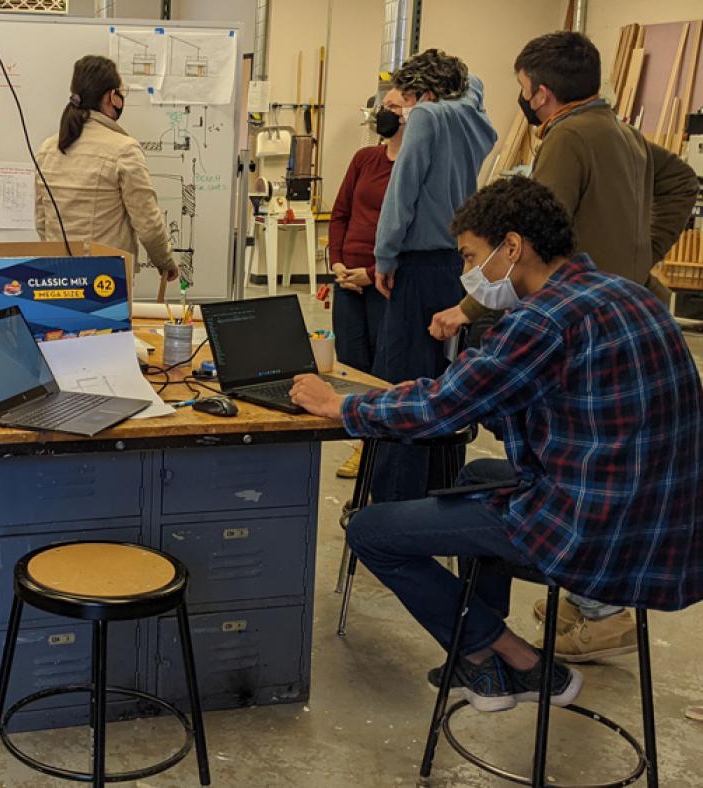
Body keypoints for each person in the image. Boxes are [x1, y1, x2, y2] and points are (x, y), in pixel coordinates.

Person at [290, 177, 702, 712]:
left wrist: (339, 406)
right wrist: (463, 392)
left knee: (371, 530)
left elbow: (441, 410)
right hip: (666, 530)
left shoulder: (543, 318)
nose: (469, 274)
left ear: (512, 247)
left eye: (471, 256)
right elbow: (517, 408)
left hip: (595, 537)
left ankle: (514, 658)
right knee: (474, 482)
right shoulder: (631, 294)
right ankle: (482, 661)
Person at [428, 31, 699, 661]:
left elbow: (521, 238)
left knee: (561, 459)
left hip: (572, 313)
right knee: (604, 452)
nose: (524, 99)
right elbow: (683, 180)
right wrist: (644, 251)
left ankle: (591, 608)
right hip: (623, 302)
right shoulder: (624, 131)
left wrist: (466, 307)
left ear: (540, 91)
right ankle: (589, 601)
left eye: (524, 89)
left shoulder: (568, 136)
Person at [369, 49, 498, 502]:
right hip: (458, 265)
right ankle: (438, 493)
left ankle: (393, 502)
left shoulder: (427, 119)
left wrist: (384, 257)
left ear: (423, 96)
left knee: (401, 383)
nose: (402, 115)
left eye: (403, 104)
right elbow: (474, 81)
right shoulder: (473, 116)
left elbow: (401, 194)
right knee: (446, 387)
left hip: (418, 265)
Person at [34, 55, 179, 284]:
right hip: (105, 282)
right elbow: (148, 223)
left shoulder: (48, 148)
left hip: (56, 276)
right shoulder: (123, 149)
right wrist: (164, 261)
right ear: (112, 97)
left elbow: (42, 222)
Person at [327, 91, 404, 478]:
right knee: (351, 362)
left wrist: (372, 274)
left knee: (380, 367)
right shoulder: (364, 159)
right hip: (347, 276)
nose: (383, 113)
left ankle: (370, 449)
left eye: (393, 107)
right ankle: (362, 437)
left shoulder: (412, 166)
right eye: (382, 106)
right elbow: (340, 213)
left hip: (384, 280)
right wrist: (337, 262)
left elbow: (412, 233)